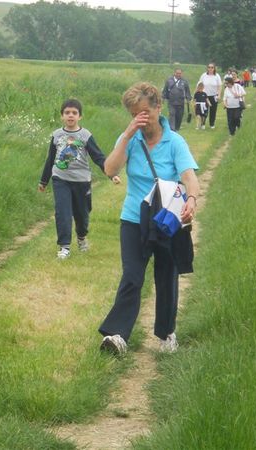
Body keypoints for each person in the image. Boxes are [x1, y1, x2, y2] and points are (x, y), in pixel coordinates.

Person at [98, 82, 200, 355]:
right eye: (134, 114)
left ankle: (166, 334)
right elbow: (109, 169)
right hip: (134, 218)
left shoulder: (174, 142)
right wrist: (128, 134)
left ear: (158, 107)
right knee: (132, 276)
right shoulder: (131, 138)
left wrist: (191, 199)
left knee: (167, 276)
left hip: (167, 219)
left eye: (145, 112)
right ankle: (117, 335)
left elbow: (190, 177)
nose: (141, 118)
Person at [38, 98, 120, 259]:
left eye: (74, 113)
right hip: (60, 179)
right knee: (63, 212)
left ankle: (81, 237)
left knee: (82, 214)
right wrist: (43, 181)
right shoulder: (56, 135)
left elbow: (98, 157)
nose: (70, 116)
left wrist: (111, 174)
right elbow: (50, 159)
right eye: (67, 113)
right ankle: (64, 247)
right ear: (62, 116)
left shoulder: (85, 135)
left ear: (80, 116)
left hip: (82, 181)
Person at [197, 62, 222, 129]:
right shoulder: (204, 75)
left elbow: (219, 86)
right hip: (204, 96)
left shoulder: (217, 76)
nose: (210, 69)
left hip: (214, 96)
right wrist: (197, 94)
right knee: (204, 110)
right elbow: (199, 85)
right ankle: (203, 124)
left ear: (214, 68)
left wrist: (219, 95)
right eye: (209, 67)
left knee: (213, 110)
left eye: (212, 67)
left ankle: (212, 124)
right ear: (207, 68)